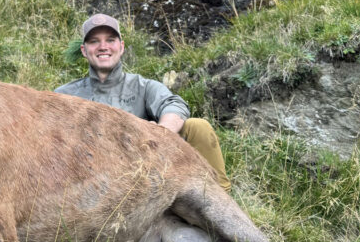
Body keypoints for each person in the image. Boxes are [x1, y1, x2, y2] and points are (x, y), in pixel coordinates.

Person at [56, 13, 230, 189]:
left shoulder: (144, 86)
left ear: (121, 47)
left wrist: (160, 134)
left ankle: (221, 196)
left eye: (110, 40)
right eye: (94, 41)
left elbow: (174, 105)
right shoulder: (64, 95)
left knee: (197, 127)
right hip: (89, 178)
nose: (103, 47)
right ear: (84, 51)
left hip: (143, 173)